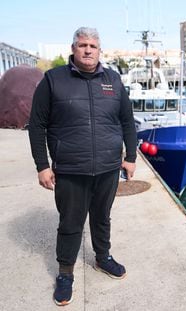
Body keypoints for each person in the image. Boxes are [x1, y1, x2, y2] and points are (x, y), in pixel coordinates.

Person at [28, 27, 137, 306]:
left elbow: (127, 121)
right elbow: (37, 125)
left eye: (93, 46)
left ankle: (103, 258)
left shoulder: (113, 79)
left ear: (100, 50)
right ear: (73, 48)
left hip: (108, 167)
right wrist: (42, 165)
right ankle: (65, 274)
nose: (88, 50)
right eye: (82, 45)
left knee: (102, 218)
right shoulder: (53, 80)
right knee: (70, 223)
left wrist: (131, 157)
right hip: (70, 169)